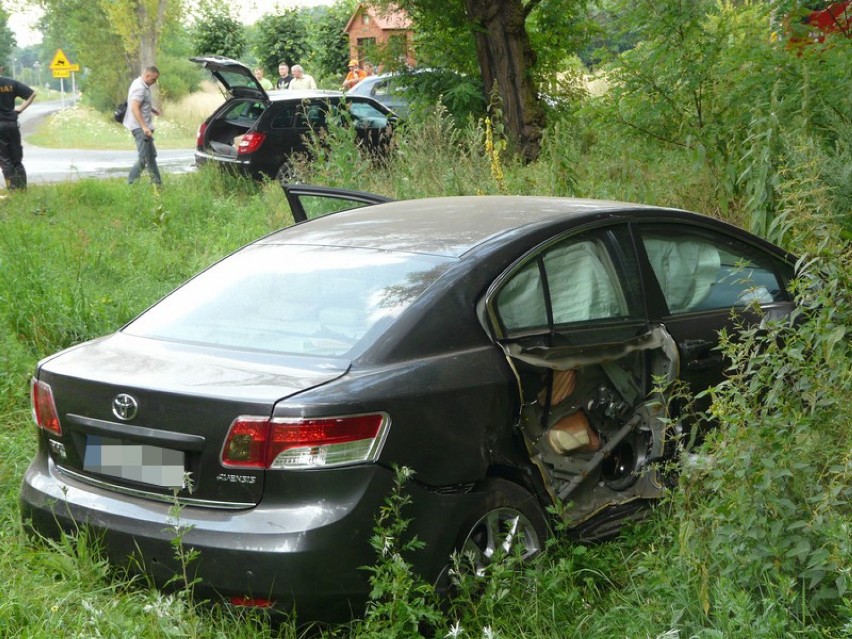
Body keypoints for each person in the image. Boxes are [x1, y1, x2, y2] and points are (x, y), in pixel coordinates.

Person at [123, 66, 162, 187]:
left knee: (151, 156)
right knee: (144, 158)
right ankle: (131, 184)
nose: (154, 82)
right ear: (146, 75)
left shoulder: (140, 83)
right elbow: (134, 108)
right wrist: (144, 127)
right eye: (153, 79)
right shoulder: (140, 87)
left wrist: (152, 110)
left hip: (142, 127)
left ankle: (157, 184)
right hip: (140, 128)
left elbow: (141, 104)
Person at [0, 64, 36, 191]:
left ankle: (12, 189)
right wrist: (20, 109)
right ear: (1, 68)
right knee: (16, 158)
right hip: (12, 124)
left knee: (4, 159)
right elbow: (32, 94)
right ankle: (22, 189)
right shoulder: (11, 83)